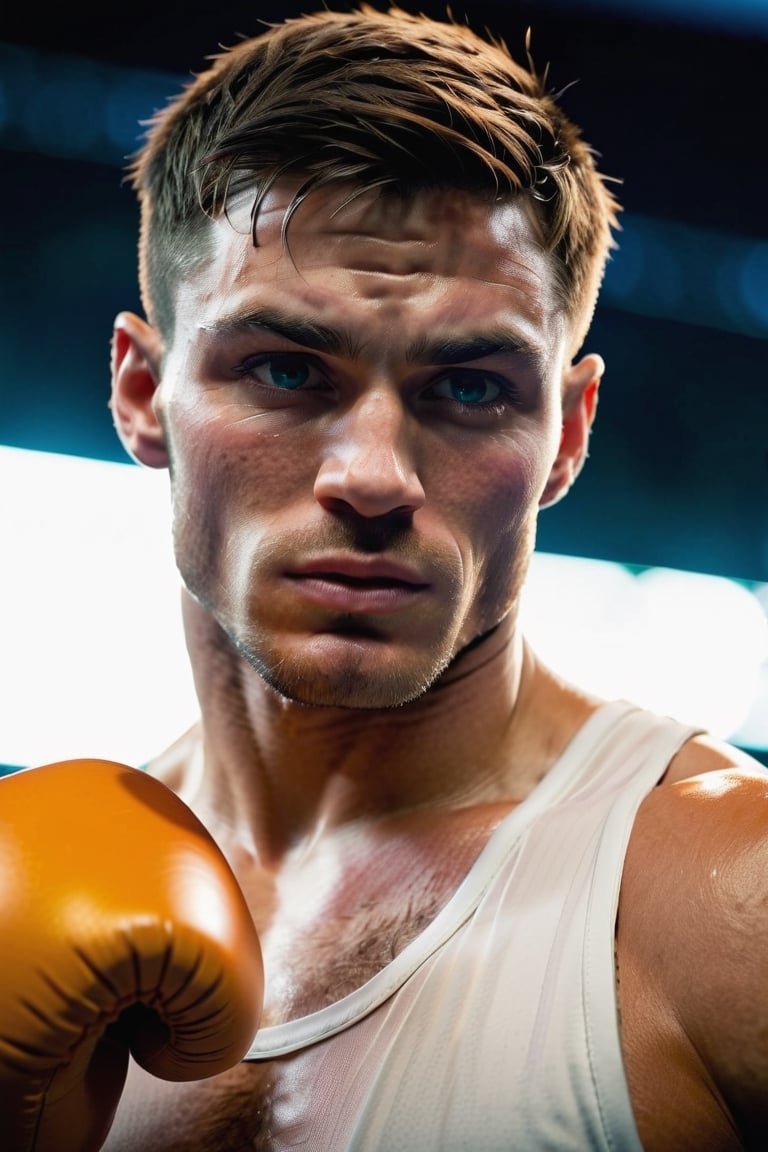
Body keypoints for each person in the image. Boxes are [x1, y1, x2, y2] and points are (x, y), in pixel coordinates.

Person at [2, 4, 767, 1150]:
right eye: (284, 368)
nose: (372, 476)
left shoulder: (719, 898)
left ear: (567, 435)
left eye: (469, 387)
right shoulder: (31, 880)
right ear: (140, 391)